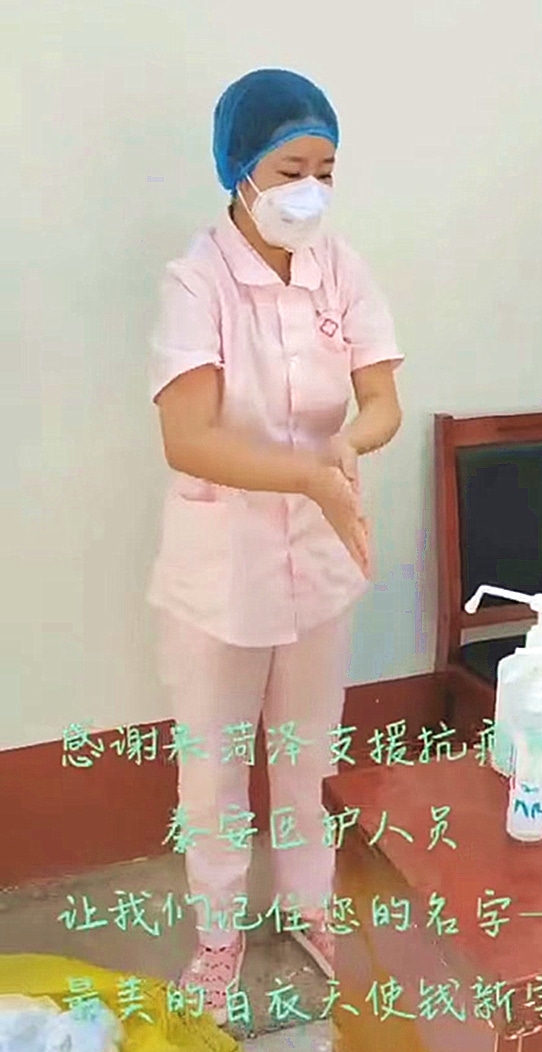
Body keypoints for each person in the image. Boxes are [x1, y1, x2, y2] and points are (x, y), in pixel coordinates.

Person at [147, 68, 403, 1023]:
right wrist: (307, 477)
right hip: (223, 568)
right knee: (215, 767)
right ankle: (218, 941)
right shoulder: (196, 281)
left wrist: (348, 446)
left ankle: (309, 913)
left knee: (304, 756)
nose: (311, 192)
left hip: (321, 559)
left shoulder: (342, 268)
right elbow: (188, 437)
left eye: (326, 171)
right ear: (241, 169)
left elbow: (382, 399)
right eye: (292, 170)